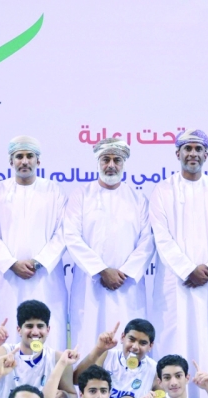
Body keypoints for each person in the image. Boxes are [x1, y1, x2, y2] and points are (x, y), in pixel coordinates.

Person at [149, 129, 208, 397]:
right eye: (188, 149)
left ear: (206, 155)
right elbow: (161, 236)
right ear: (178, 154)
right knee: (175, 341)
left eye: (198, 149)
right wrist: (188, 269)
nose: (193, 154)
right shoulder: (162, 191)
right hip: (176, 282)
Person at [63, 138, 154, 355]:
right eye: (106, 159)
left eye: (117, 160)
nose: (111, 165)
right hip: (90, 284)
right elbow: (72, 236)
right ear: (98, 162)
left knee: (129, 337)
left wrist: (124, 272)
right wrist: (101, 271)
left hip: (127, 286)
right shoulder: (81, 196)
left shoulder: (137, 198)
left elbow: (148, 240)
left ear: (124, 164)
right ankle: (86, 388)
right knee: (88, 340)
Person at [0, 135, 68, 350]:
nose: (24, 161)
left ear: (38, 161)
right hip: (7, 279)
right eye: (19, 156)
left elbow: (63, 234)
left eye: (30, 156)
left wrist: (38, 262)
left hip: (45, 279)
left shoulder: (54, 191)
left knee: (48, 333)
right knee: (8, 331)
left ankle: (51, 382)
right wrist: (12, 263)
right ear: (10, 161)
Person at [73, 319, 159, 398]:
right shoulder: (107, 356)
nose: (135, 347)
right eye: (131, 339)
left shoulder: (154, 369)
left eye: (143, 343)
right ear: (123, 337)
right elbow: (76, 380)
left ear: (150, 346)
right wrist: (99, 349)